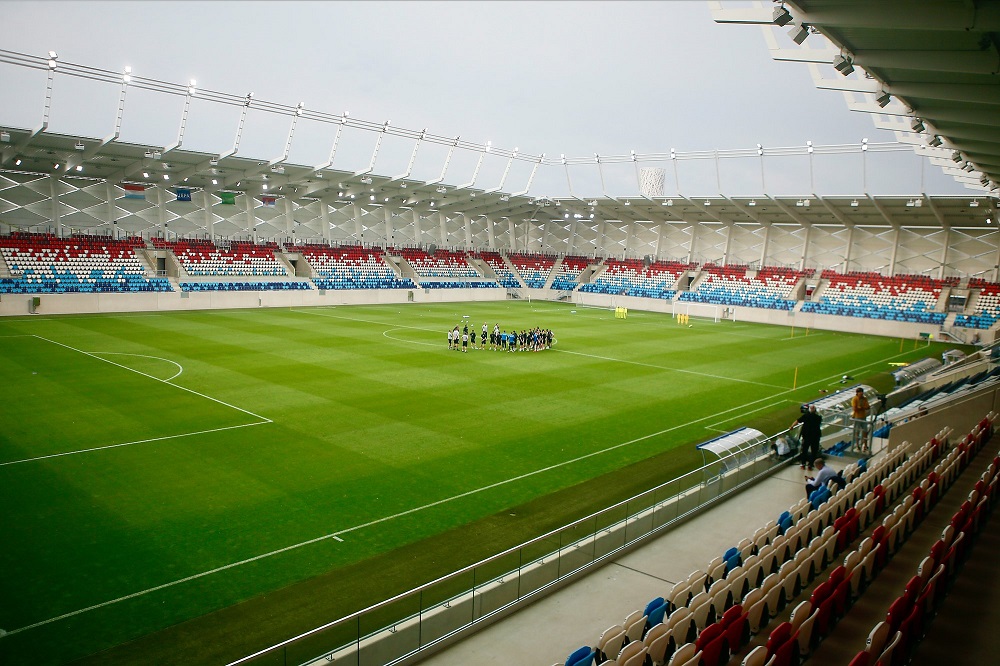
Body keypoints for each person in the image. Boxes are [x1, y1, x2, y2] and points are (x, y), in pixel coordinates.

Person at [792, 404, 822, 470]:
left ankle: (803, 464)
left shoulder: (806, 416)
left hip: (807, 436)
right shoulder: (818, 417)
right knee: (814, 451)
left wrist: (792, 426)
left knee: (804, 451)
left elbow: (797, 421)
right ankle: (810, 465)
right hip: (815, 437)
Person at [851, 387, 871, 453]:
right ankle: (857, 445)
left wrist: (861, 407)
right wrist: (862, 408)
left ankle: (865, 445)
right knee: (857, 432)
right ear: (857, 393)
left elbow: (868, 407)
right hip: (857, 417)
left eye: (862, 392)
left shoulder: (864, 398)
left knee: (865, 431)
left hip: (863, 417)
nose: (861, 393)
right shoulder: (854, 399)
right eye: (860, 392)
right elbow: (855, 409)